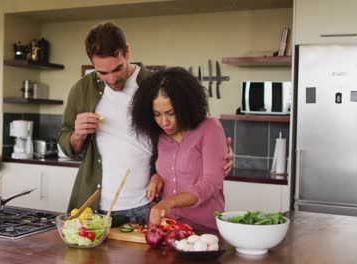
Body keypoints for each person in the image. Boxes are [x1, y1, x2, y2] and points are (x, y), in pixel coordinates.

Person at [58, 22, 233, 224]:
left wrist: (219, 154)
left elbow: (187, 131)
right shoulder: (82, 90)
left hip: (148, 205)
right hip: (95, 206)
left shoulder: (154, 85)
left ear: (127, 52)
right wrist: (77, 134)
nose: (112, 79)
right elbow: (66, 143)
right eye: (102, 73)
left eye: (117, 69)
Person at [130, 67, 227, 230]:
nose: (164, 122)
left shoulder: (210, 128)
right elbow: (171, 171)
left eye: (171, 113)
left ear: (185, 107)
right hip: (169, 227)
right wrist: (157, 177)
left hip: (204, 229)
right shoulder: (159, 136)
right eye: (157, 114)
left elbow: (212, 183)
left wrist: (169, 202)